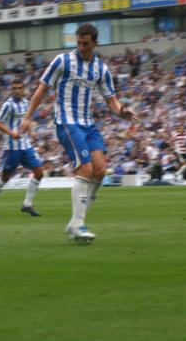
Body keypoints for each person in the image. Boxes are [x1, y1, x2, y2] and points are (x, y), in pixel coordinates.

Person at [20, 23, 139, 243]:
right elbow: (42, 89)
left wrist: (123, 112)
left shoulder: (101, 69)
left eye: (86, 43)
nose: (82, 47)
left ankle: (76, 222)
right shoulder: (63, 61)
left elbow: (111, 101)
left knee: (100, 171)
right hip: (67, 122)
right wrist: (28, 117)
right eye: (79, 43)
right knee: (85, 168)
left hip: (88, 124)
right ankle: (78, 224)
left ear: (95, 43)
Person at [0, 78, 44, 218]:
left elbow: (26, 120)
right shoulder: (8, 105)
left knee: (39, 173)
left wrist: (31, 131)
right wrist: (11, 133)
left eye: (19, 88)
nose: (17, 91)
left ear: (23, 89)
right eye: (14, 88)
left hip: (26, 146)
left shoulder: (26, 103)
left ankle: (27, 204)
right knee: (5, 178)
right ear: (12, 89)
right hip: (12, 148)